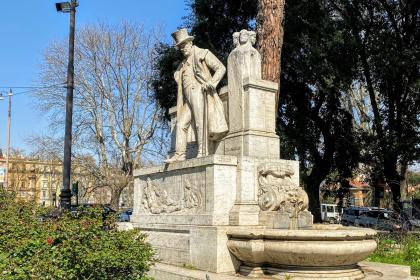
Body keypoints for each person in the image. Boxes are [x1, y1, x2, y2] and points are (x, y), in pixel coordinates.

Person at [165, 29, 228, 163]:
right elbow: (179, 77)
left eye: (184, 45)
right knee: (181, 124)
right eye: (180, 47)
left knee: (201, 122)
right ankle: (180, 155)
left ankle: (202, 152)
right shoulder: (182, 65)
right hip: (188, 99)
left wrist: (212, 82)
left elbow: (221, 68)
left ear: (190, 43)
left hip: (200, 91)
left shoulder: (202, 53)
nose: (182, 49)